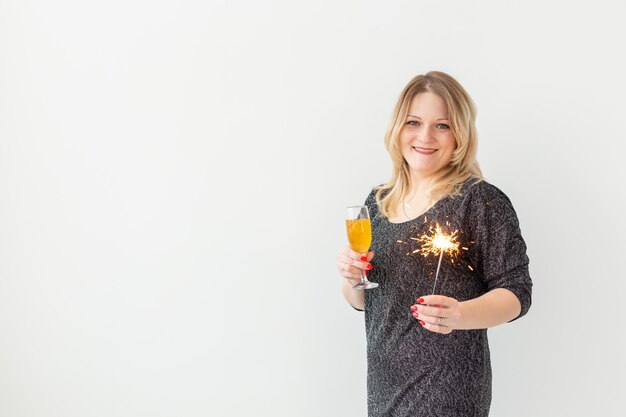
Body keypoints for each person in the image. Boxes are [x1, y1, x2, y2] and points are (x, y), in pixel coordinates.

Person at [336, 71, 532, 417]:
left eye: (442, 125)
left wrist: (460, 314)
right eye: (414, 122)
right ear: (398, 128)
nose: (425, 136)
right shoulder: (378, 203)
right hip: (384, 389)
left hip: (448, 391)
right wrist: (352, 279)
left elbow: (517, 294)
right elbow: (365, 302)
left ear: (460, 134)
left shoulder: (479, 201)